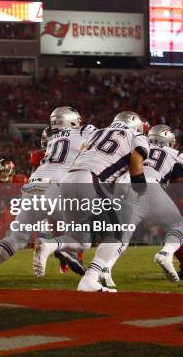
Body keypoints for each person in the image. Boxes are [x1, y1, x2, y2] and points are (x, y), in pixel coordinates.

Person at [32, 111, 150, 292]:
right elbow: (136, 160)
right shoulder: (136, 135)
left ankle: (50, 245)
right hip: (91, 180)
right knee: (117, 233)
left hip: (68, 179)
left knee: (81, 240)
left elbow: (81, 151)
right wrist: (141, 187)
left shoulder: (98, 131)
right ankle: (90, 278)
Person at [0, 107, 94, 283]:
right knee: (84, 240)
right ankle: (53, 246)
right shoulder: (84, 131)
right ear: (72, 121)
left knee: (16, 237)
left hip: (33, 185)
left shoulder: (53, 137)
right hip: (56, 187)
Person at [100, 124, 183, 288]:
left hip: (123, 184)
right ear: (170, 141)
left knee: (122, 235)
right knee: (179, 226)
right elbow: (179, 190)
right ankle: (166, 253)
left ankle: (105, 268)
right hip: (148, 185)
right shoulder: (176, 154)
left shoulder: (139, 147)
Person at [0, 159, 29, 250]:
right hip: (10, 210)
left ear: (11, 171)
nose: (2, 174)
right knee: (0, 231)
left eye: (5, 171)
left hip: (24, 208)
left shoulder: (21, 180)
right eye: (1, 171)